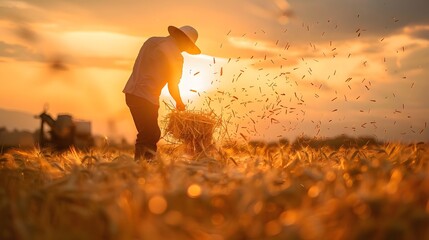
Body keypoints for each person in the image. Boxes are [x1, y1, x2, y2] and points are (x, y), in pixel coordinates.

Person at [123, 25, 201, 161]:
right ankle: (142, 166)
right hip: (146, 97)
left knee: (148, 132)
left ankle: (143, 164)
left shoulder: (151, 41)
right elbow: (172, 84)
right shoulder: (176, 57)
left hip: (131, 93)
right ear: (184, 41)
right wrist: (179, 102)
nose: (185, 50)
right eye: (187, 46)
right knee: (149, 133)